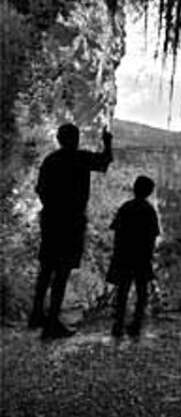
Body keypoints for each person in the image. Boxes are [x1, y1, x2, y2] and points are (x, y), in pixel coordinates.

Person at [28, 123, 113, 339]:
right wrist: (108, 143)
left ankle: (36, 314)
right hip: (72, 222)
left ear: (58, 138)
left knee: (46, 267)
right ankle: (52, 322)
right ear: (75, 139)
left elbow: (41, 190)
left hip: (51, 219)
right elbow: (104, 162)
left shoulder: (50, 160)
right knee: (62, 271)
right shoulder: (81, 158)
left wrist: (52, 207)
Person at [107, 175, 160, 338]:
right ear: (150, 192)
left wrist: (116, 255)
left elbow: (117, 232)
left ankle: (118, 323)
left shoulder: (126, 207)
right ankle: (136, 323)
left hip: (124, 255)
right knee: (141, 291)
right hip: (141, 257)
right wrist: (149, 257)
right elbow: (152, 236)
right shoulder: (149, 211)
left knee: (122, 290)